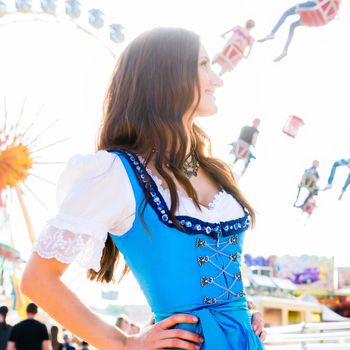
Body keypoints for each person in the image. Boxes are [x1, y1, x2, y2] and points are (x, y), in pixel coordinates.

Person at [21, 27, 265, 349]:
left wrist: (241, 316)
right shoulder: (115, 173)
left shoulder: (212, 170)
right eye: (204, 64)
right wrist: (124, 344)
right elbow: (38, 280)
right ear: (166, 76)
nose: (216, 79)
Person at [258, 1, 340, 62]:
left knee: (286, 13)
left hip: (313, 7)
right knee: (293, 26)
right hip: (317, 17)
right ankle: (285, 50)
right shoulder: (337, 3)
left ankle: (272, 33)